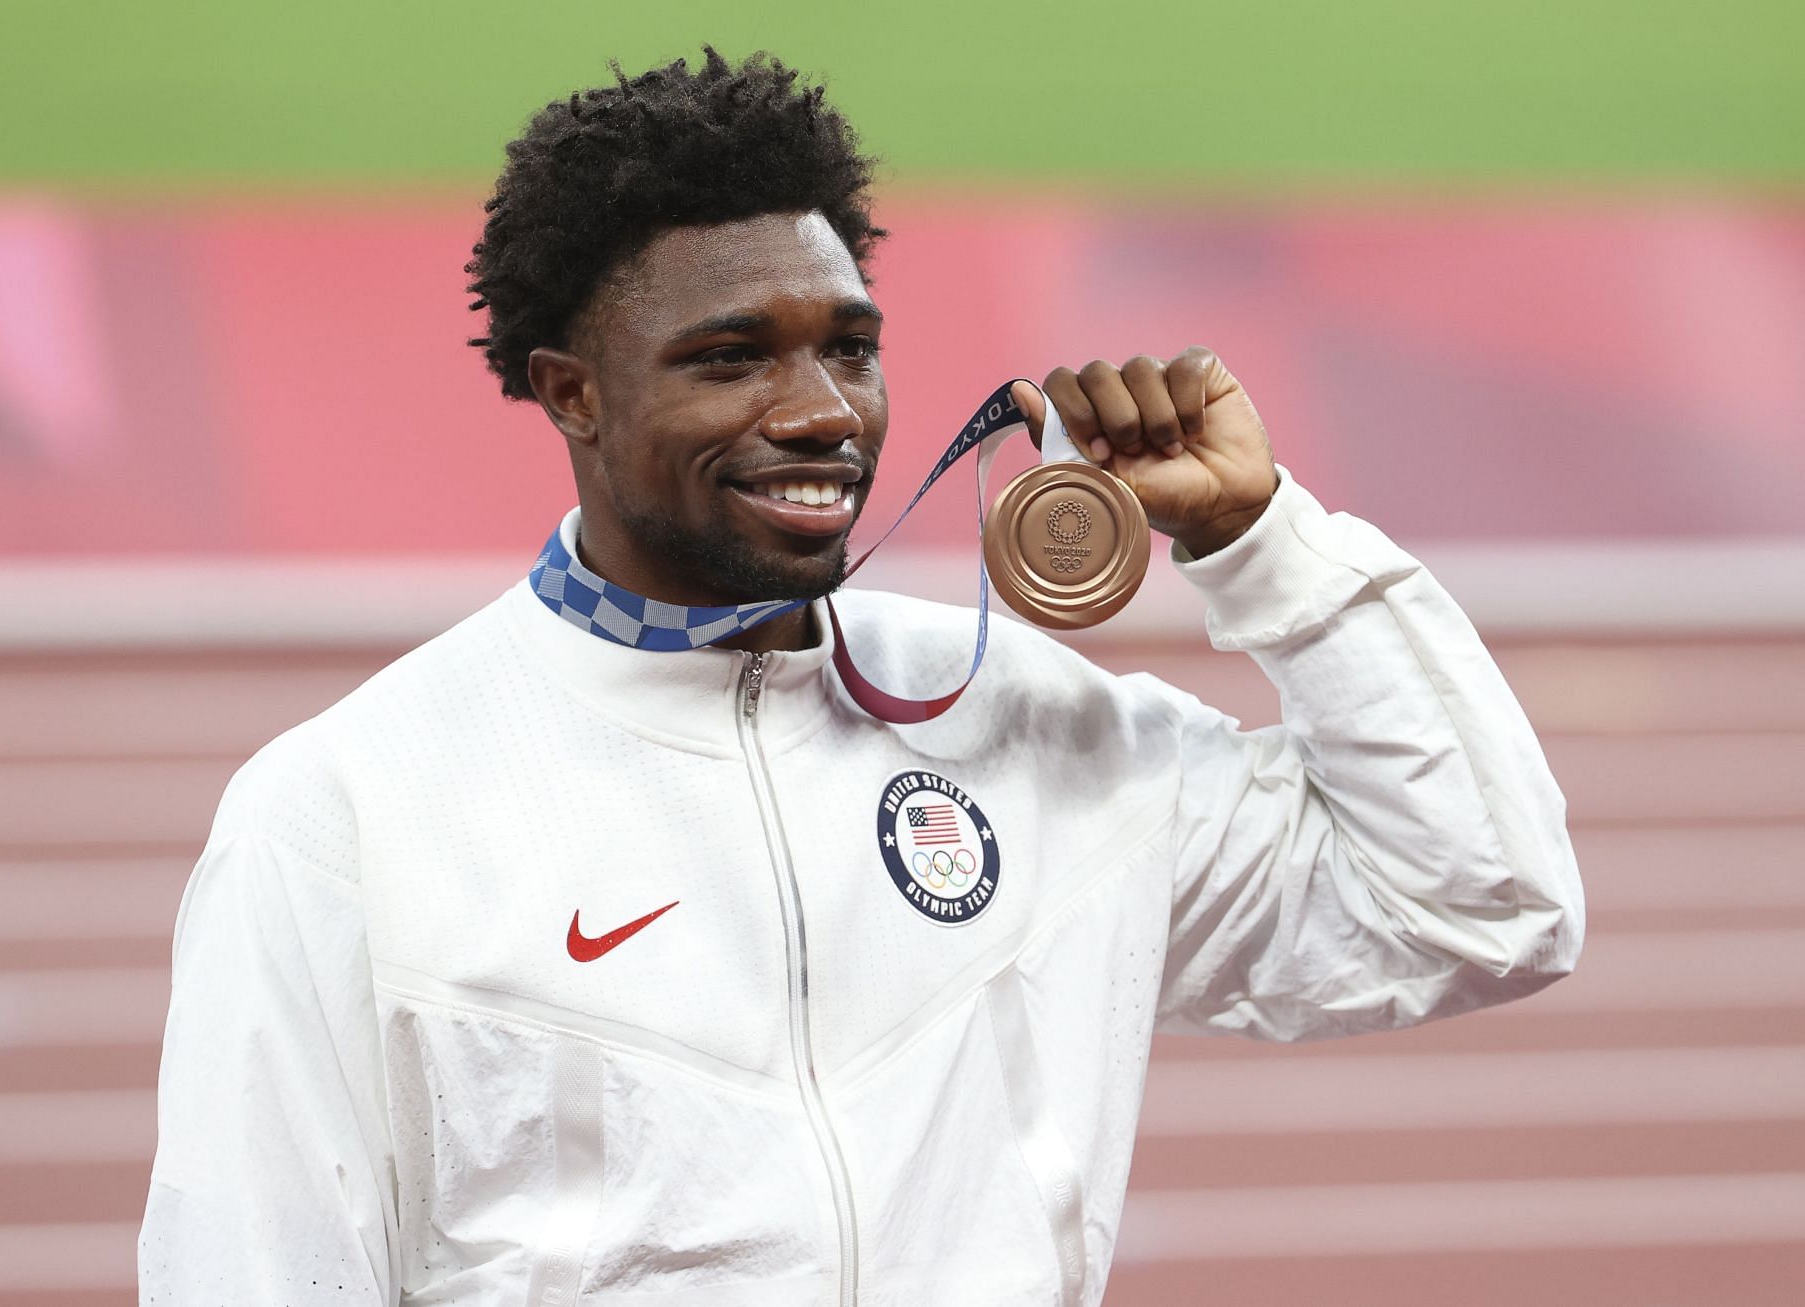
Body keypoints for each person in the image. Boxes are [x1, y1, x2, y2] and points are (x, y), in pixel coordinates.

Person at [139, 47, 1583, 1307]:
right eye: (729, 360)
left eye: (851, 348)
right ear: (571, 389)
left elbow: (1477, 907)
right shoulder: (348, 814)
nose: (821, 414)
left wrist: (1260, 545)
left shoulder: (1028, 725)